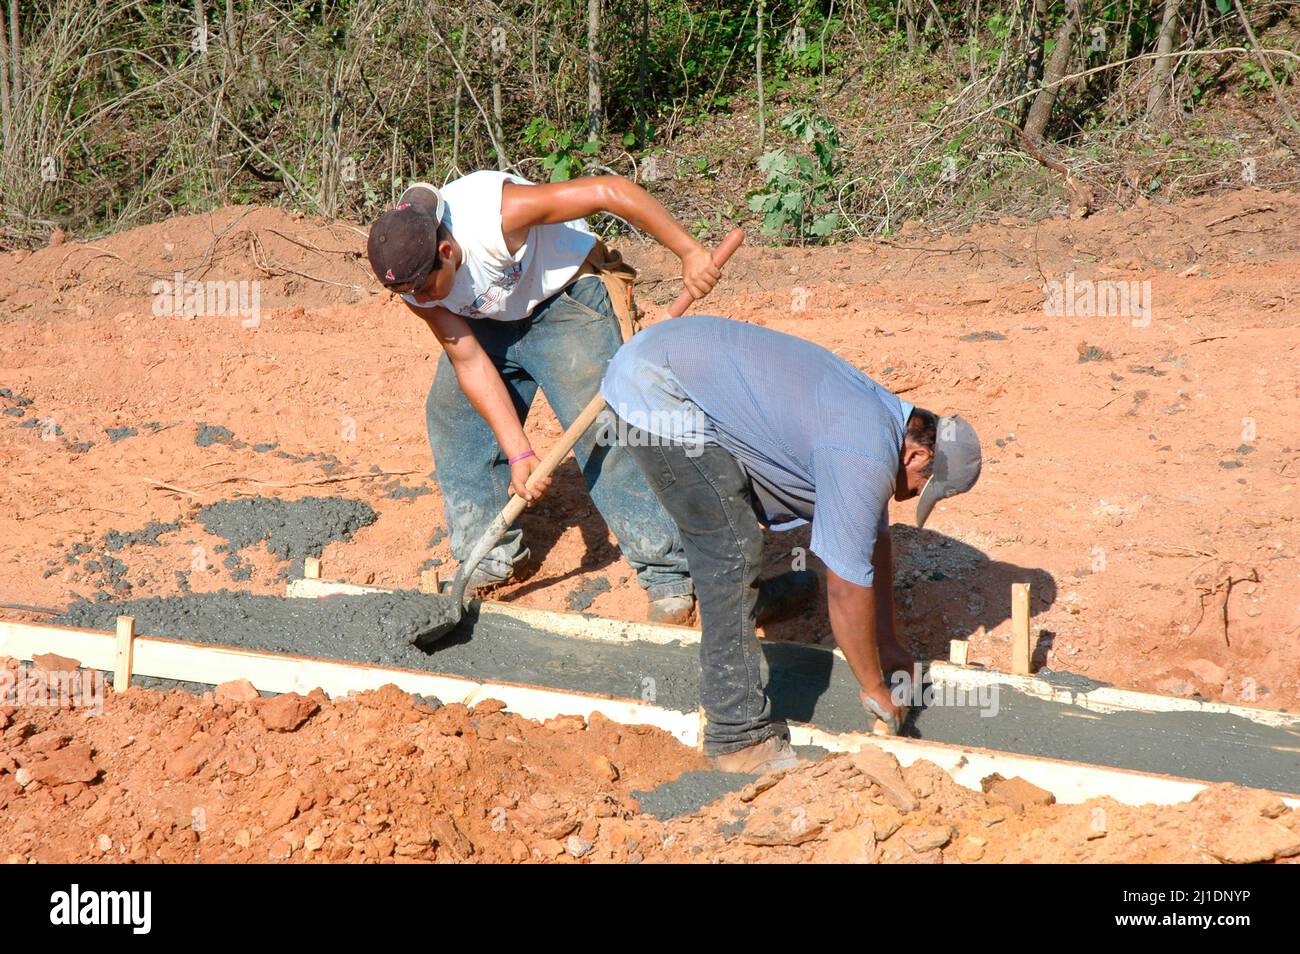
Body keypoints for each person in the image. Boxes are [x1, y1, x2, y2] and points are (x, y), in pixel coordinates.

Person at [601, 315, 982, 774]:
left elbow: (872, 544)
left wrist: (889, 643)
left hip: (681, 367)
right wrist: (873, 688)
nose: (911, 496)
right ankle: (735, 734)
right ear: (917, 455)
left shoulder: (884, 420)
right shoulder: (863, 453)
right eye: (921, 486)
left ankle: (751, 605)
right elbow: (845, 587)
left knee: (734, 537)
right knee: (729, 552)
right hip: (658, 390)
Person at [366, 171, 721, 622]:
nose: (420, 299)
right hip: (489, 321)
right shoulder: (412, 278)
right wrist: (519, 453)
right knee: (453, 417)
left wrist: (689, 251)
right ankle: (491, 555)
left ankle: (668, 572)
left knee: (603, 429)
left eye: (426, 288)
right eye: (411, 293)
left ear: (447, 251)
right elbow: (470, 361)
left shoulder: (496, 216)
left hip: (564, 299)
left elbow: (606, 191)